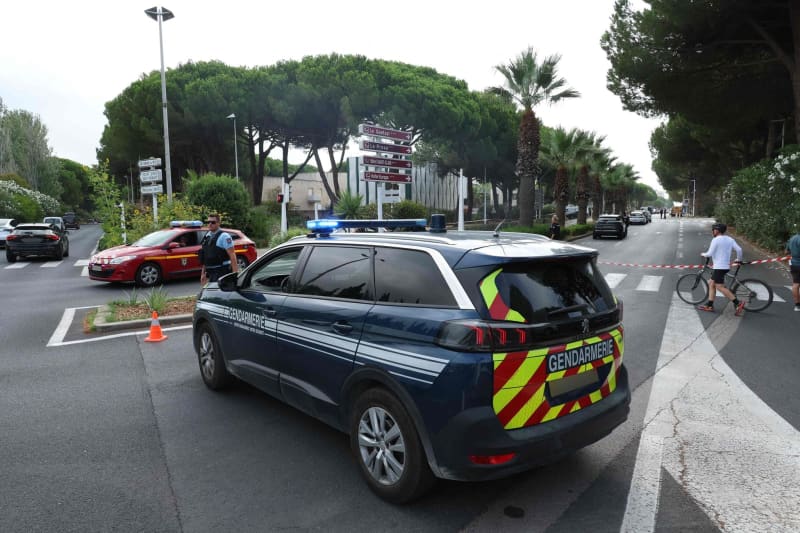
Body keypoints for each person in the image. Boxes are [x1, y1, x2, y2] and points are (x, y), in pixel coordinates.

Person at [697, 222, 745, 315]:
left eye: (713, 230)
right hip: (725, 266)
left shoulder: (716, 240)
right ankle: (710, 305)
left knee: (719, 287)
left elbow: (709, 254)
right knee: (711, 283)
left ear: (717, 230)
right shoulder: (730, 239)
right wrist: (739, 259)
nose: (712, 231)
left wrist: (703, 254)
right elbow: (739, 249)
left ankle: (738, 303)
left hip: (719, 267)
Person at [199, 213, 239, 285]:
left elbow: (232, 256)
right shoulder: (207, 236)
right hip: (211, 273)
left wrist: (235, 275)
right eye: (208, 222)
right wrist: (203, 274)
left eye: (213, 222)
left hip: (222, 272)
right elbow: (205, 257)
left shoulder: (224, 236)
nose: (210, 224)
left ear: (218, 223)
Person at [786, 226, 800, 312]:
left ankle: (797, 305)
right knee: (797, 284)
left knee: (796, 283)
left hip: (793, 264)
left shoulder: (792, 238)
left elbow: (786, 251)